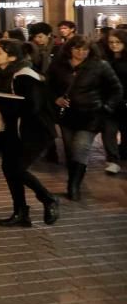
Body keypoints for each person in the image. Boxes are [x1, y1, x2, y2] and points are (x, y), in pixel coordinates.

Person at [0, 40, 59, 227]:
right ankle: (21, 212)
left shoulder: (24, 75)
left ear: (11, 56)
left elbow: (32, 107)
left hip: (34, 130)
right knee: (9, 169)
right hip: (14, 129)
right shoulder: (0, 72)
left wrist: (1, 100)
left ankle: (48, 198)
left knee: (17, 168)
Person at [47, 36, 123, 201]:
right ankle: (73, 178)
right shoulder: (59, 65)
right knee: (69, 150)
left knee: (81, 147)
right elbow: (48, 85)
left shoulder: (100, 65)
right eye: (77, 49)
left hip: (91, 115)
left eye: (85, 50)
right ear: (70, 49)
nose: (81, 53)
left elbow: (116, 89)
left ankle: (74, 185)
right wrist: (56, 98)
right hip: (67, 115)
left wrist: (106, 108)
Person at [102, 29, 127, 174]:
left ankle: (121, 155)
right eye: (111, 42)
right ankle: (113, 160)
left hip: (124, 102)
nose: (114, 45)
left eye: (118, 42)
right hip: (110, 103)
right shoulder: (106, 59)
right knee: (109, 132)